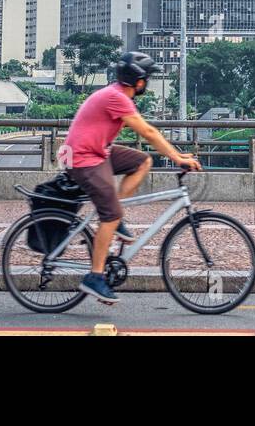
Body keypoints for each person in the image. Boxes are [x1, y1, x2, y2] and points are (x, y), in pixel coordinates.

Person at [62, 51, 201, 304]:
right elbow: (148, 132)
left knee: (142, 161)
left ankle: (116, 216)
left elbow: (147, 135)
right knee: (111, 215)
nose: (146, 83)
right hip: (83, 159)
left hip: (97, 152)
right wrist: (178, 158)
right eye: (146, 78)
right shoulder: (117, 97)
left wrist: (176, 154)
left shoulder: (117, 94)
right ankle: (94, 276)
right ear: (138, 81)